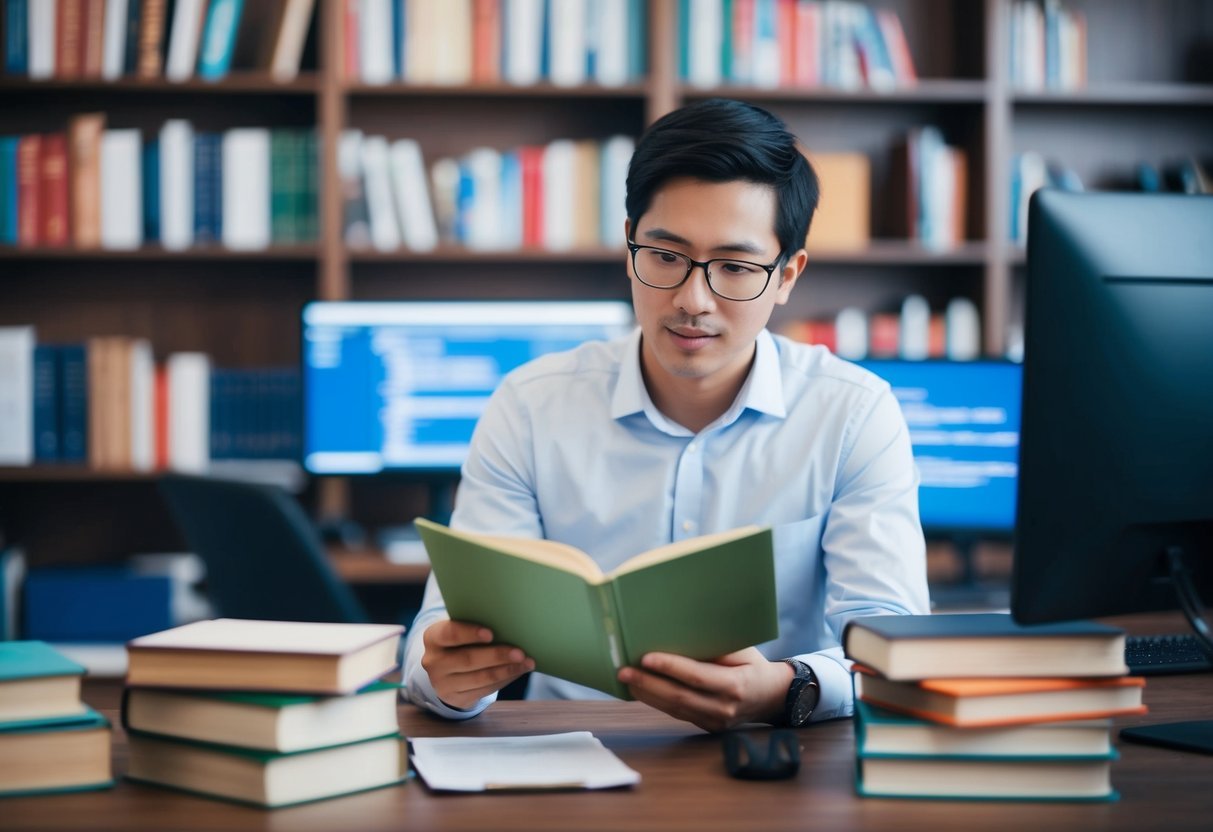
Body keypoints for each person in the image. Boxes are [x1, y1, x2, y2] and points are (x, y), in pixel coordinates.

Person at [402, 98, 930, 732]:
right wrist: (448, 678)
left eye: (735, 268)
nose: (691, 300)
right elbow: (438, 635)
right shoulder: (531, 405)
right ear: (629, 249)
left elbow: (894, 650)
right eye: (665, 256)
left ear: (787, 275)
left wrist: (784, 688)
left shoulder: (852, 413)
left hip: (777, 764)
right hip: (569, 756)